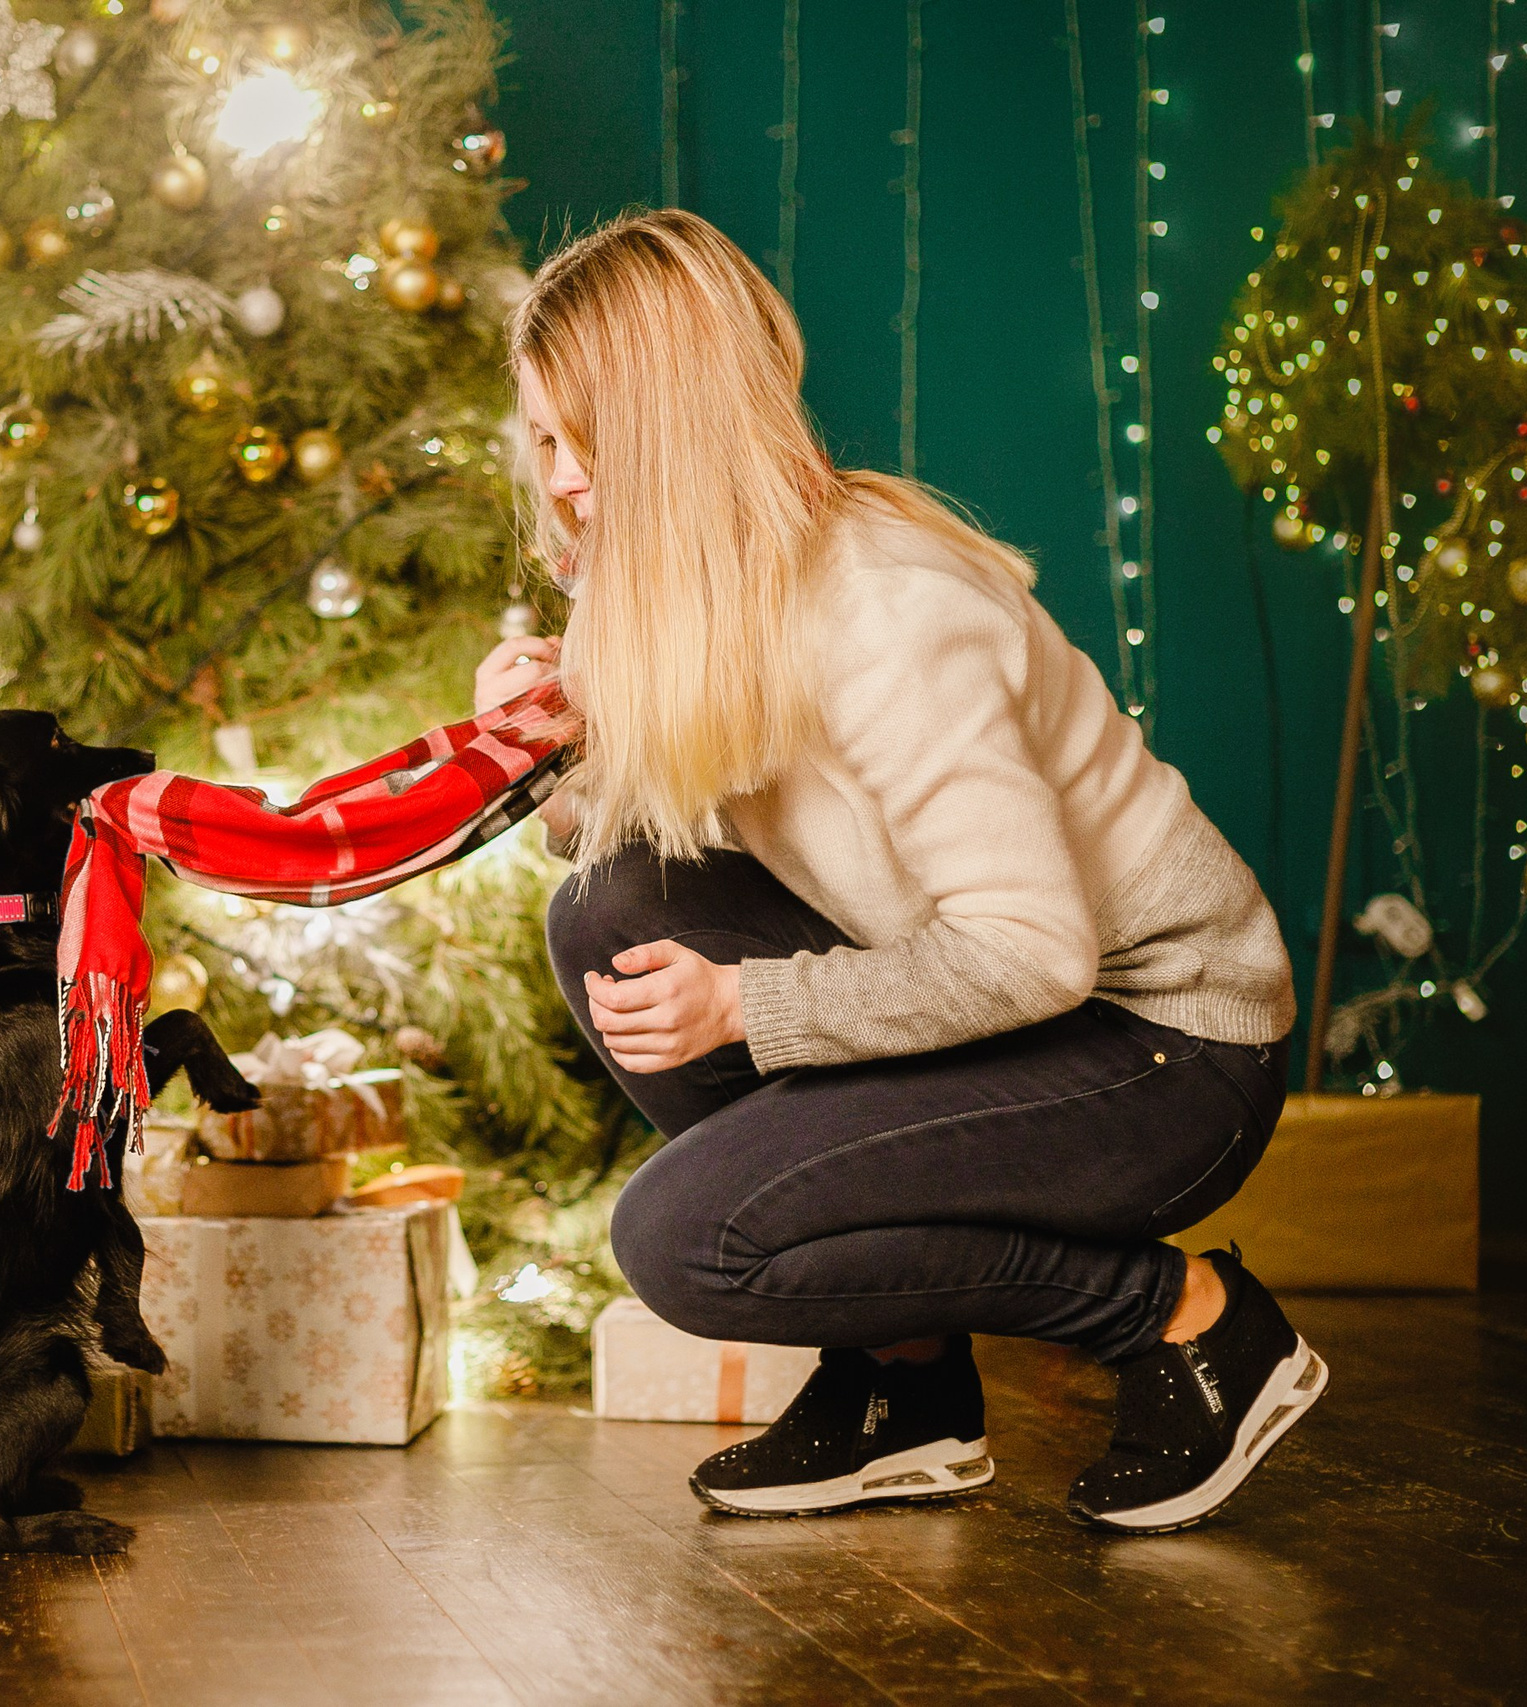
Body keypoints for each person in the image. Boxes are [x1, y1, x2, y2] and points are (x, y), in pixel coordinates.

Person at [474, 209, 1318, 1534]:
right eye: (544, 442)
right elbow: (676, 829)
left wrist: (745, 1007)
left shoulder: (888, 609)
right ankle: (903, 1383)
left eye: (591, 439)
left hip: (1164, 1051)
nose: (568, 481)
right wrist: (542, 753)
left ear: (679, 428)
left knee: (683, 1240)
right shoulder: (695, 581)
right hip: (1012, 1013)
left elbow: (1033, 954)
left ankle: (1189, 1322)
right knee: (612, 911)